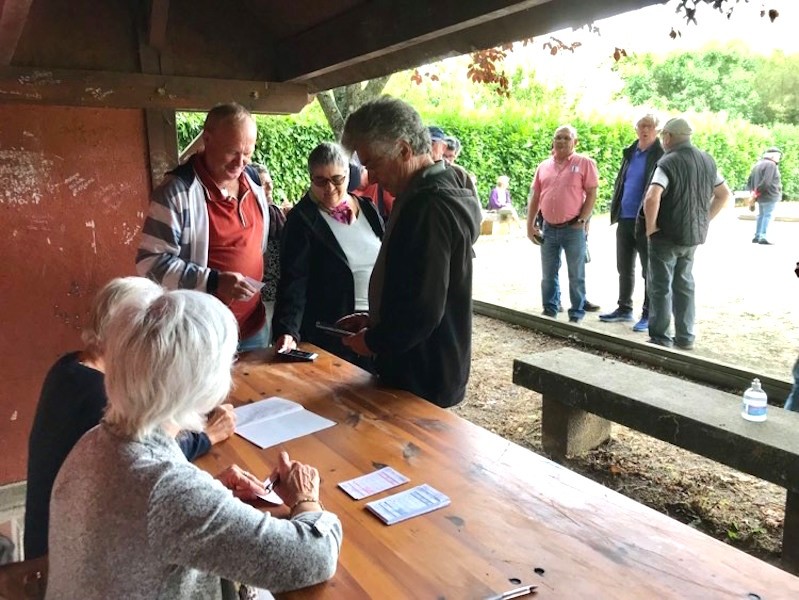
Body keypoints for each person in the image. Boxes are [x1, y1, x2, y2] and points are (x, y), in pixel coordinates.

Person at [46, 288, 342, 598]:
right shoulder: (168, 491)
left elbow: (147, 514)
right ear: (207, 382)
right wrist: (305, 497)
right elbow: (314, 557)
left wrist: (209, 493)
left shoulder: (94, 440)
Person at [24, 277, 236, 560]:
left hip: (50, 537)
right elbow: (143, 461)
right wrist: (207, 437)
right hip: (62, 556)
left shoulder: (69, 366)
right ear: (124, 332)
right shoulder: (102, 395)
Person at [338, 97, 482, 408]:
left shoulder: (429, 204)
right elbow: (414, 283)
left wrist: (376, 340)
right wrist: (376, 319)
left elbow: (424, 307)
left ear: (404, 150)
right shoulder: (425, 190)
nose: (371, 178)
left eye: (373, 163)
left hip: (422, 377)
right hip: (427, 369)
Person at [136, 102, 270, 351]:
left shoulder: (253, 182)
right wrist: (214, 281)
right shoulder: (176, 193)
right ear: (207, 139)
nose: (240, 163)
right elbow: (150, 263)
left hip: (253, 326)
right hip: (202, 333)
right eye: (232, 152)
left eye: (248, 153)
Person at [273, 142, 383, 369]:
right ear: (310, 179)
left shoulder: (369, 209)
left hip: (375, 330)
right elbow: (293, 282)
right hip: (332, 333)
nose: (329, 188)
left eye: (337, 179)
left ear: (347, 175)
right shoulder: (302, 219)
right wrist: (287, 330)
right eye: (320, 181)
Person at [643, 117, 731, 349]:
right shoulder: (707, 161)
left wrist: (651, 227)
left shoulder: (668, 161)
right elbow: (723, 194)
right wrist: (704, 220)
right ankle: (686, 337)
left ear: (669, 137)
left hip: (666, 235)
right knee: (684, 284)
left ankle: (661, 338)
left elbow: (652, 196)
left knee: (660, 286)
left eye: (663, 136)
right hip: (692, 236)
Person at [600, 113, 665, 332]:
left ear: (657, 130)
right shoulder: (630, 153)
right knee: (624, 267)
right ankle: (624, 308)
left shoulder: (661, 154)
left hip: (646, 220)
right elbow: (623, 182)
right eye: (641, 126)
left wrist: (654, 221)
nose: (644, 129)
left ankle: (648, 314)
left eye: (649, 126)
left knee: (649, 270)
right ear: (636, 129)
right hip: (625, 218)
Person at [527, 124, 599, 323]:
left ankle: (576, 313)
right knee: (548, 274)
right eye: (558, 137)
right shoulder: (543, 166)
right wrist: (530, 225)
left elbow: (592, 192)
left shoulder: (584, 163)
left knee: (576, 274)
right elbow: (536, 197)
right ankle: (549, 310)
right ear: (553, 141)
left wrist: (583, 219)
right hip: (548, 229)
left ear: (575, 142)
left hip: (573, 228)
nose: (561, 141)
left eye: (566, 138)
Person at [253, 163, 286, 344]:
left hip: (277, 293)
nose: (269, 188)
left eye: (270, 183)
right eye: (263, 183)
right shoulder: (251, 216)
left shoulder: (276, 214)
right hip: (260, 295)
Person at [746, 147, 783, 245]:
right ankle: (763, 236)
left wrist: (753, 193)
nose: (778, 159)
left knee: (761, 215)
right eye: (778, 156)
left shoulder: (757, 164)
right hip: (769, 195)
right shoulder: (771, 165)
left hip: (760, 196)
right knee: (767, 216)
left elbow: (749, 181)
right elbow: (766, 182)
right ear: (772, 156)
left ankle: (757, 236)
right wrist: (757, 192)